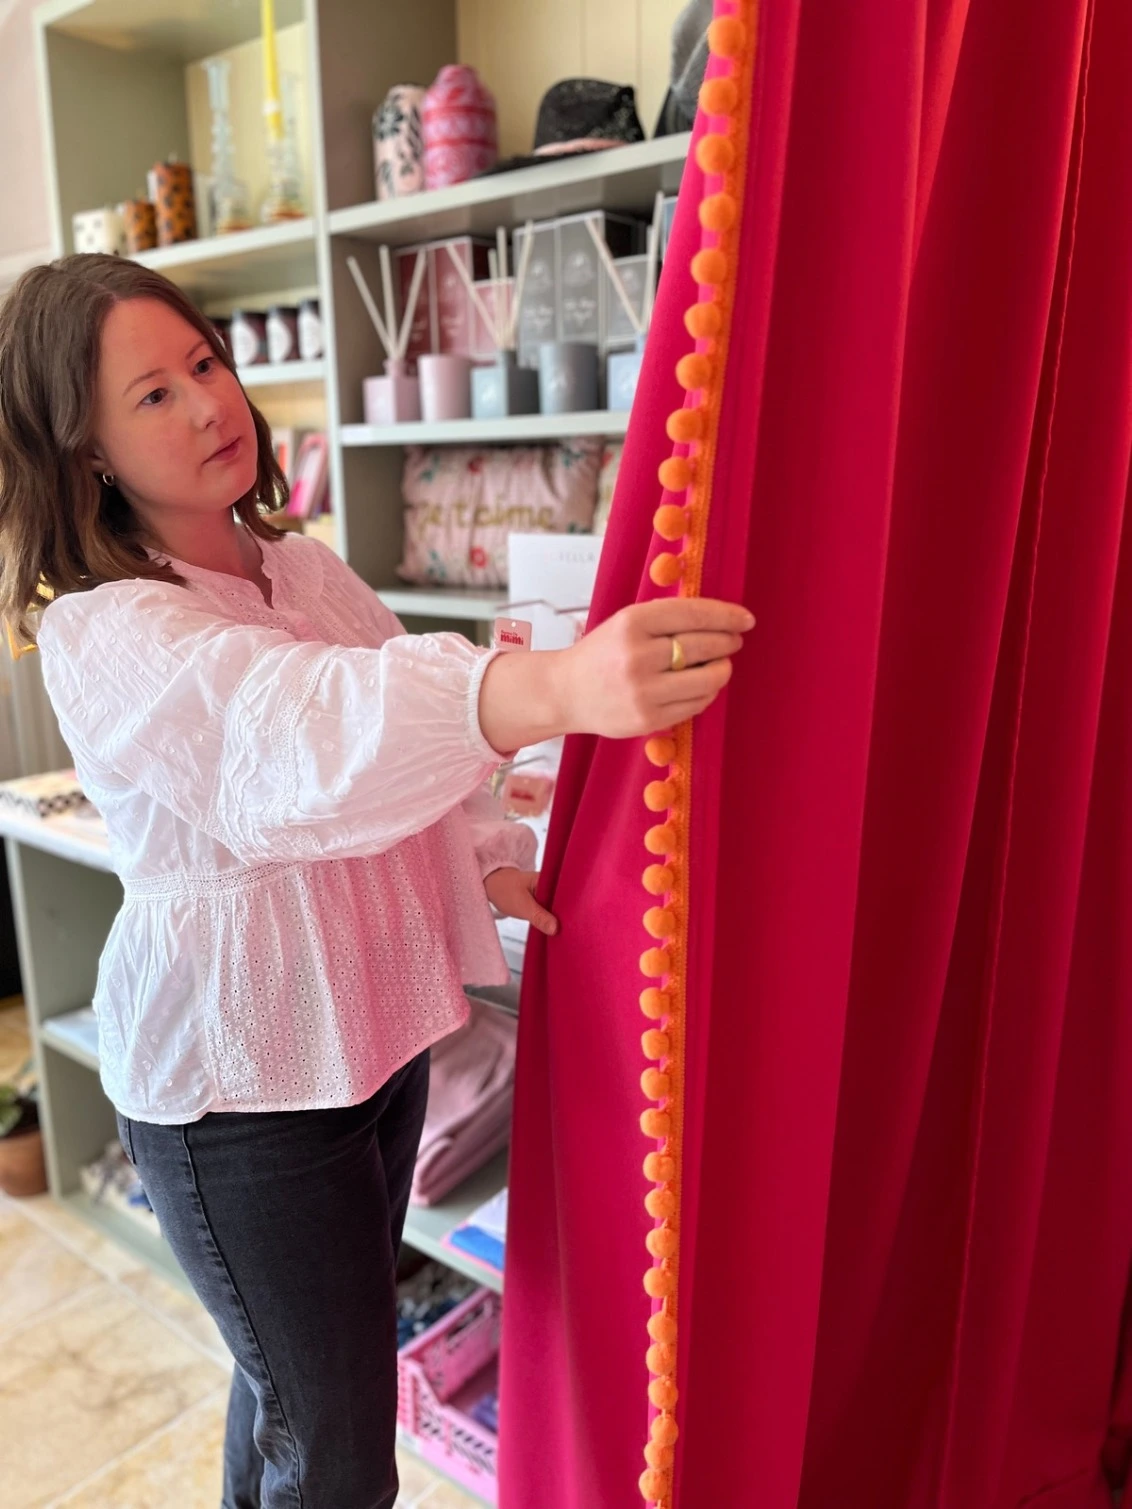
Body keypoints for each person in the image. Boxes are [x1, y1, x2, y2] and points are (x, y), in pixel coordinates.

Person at [0, 254, 752, 1509]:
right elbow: (289, 743)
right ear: (83, 451)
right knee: (335, 1445)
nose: (206, 406)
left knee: (292, 1388)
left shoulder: (301, 569)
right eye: (152, 396)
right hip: (233, 1094)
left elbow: (398, 776)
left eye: (204, 364)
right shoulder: (108, 626)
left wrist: (483, 863)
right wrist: (554, 687)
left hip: (368, 1046)